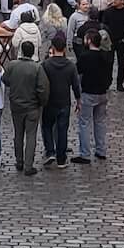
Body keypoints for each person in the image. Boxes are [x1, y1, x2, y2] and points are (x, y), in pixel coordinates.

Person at [0, 41, 48, 176]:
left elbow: (5, 80)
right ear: (33, 52)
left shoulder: (12, 65)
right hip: (32, 106)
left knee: (18, 134)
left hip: (16, 105)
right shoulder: (37, 68)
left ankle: (19, 161)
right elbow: (42, 88)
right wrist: (41, 102)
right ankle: (28, 165)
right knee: (31, 135)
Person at [72, 30, 112, 163]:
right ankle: (101, 150)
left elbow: (77, 72)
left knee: (84, 123)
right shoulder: (105, 56)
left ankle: (85, 153)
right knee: (99, 122)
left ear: (89, 41)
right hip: (102, 93)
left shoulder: (85, 56)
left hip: (88, 92)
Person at [41, 35, 80, 168]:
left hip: (49, 101)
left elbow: (41, 83)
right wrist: (78, 100)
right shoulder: (70, 66)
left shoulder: (46, 65)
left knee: (47, 126)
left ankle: (50, 150)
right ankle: (61, 159)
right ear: (64, 49)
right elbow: (75, 85)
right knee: (62, 130)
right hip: (64, 102)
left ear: (52, 47)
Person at [96, 0, 124, 93]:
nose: (113, 1)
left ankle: (120, 83)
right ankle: (108, 82)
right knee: (109, 63)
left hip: (121, 41)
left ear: (122, 1)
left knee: (121, 63)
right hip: (109, 41)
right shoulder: (108, 11)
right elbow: (103, 25)